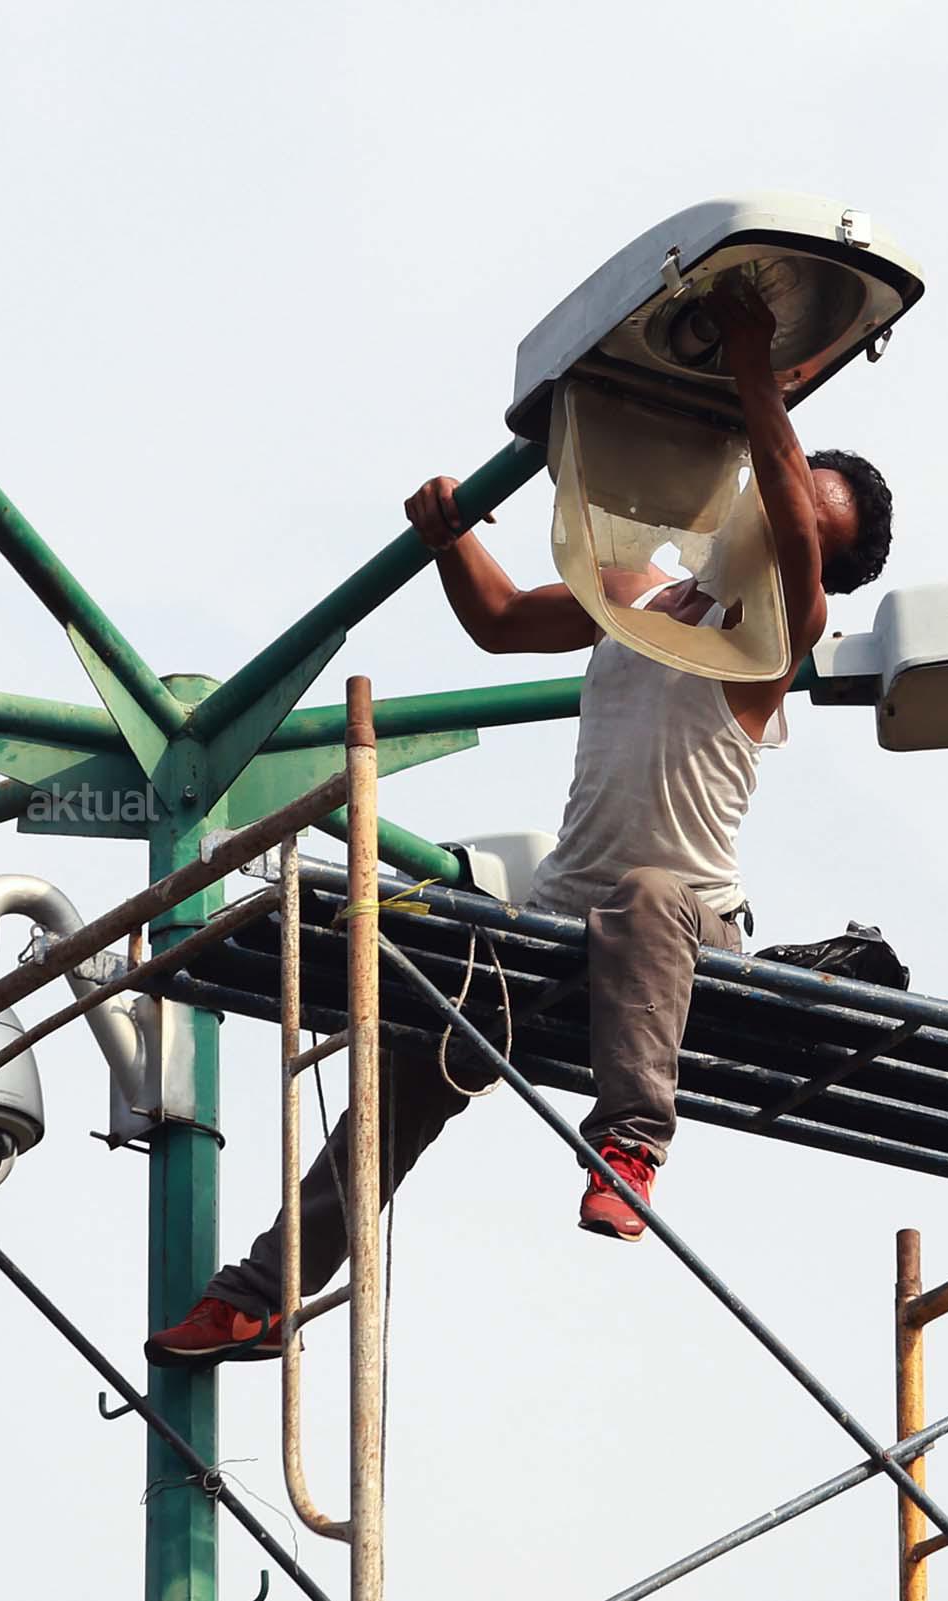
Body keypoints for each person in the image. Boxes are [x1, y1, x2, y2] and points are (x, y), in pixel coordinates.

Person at [147, 277, 896, 1365]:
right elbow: (499, 618)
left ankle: (629, 1149)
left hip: (687, 929)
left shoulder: (777, 637)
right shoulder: (643, 601)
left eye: (804, 536)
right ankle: (264, 1294)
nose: (777, 532)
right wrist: (448, 530)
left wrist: (750, 362)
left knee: (648, 894)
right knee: (411, 1059)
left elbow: (785, 502)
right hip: (561, 922)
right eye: (785, 504)